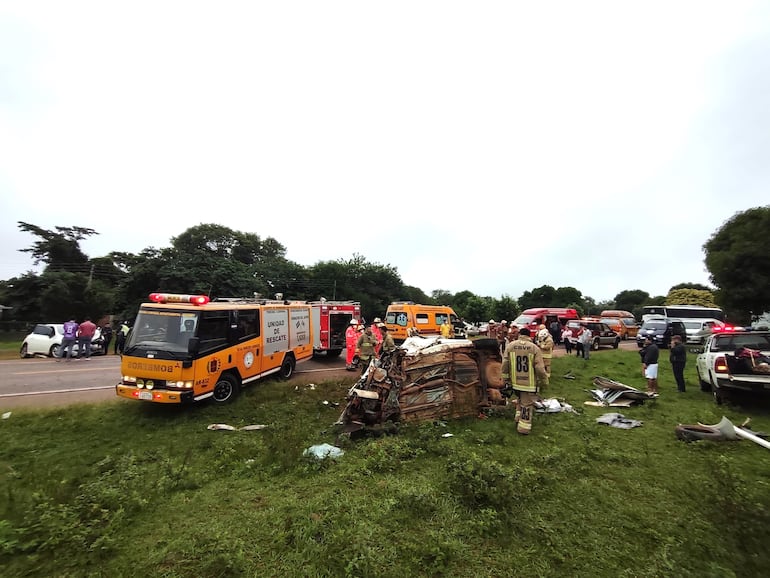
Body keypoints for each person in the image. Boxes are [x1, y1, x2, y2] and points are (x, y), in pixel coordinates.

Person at [501, 327, 547, 435]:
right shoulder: (534, 348)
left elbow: (505, 364)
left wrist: (506, 378)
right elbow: (539, 368)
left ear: (519, 334)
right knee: (526, 404)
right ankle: (523, 428)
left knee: (520, 399)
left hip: (515, 382)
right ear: (529, 336)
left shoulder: (511, 346)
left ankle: (518, 418)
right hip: (528, 384)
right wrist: (544, 381)